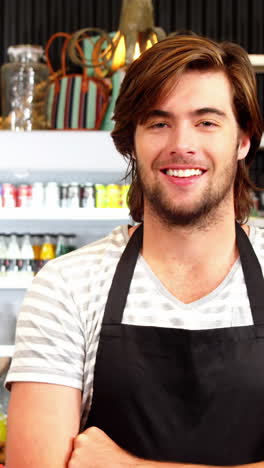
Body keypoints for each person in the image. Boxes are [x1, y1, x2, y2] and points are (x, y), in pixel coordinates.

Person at [5, 33, 264, 468]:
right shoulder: (66, 288)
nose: (182, 143)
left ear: (243, 140)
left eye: (207, 122)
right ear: (131, 141)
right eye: (158, 122)